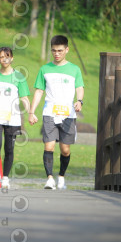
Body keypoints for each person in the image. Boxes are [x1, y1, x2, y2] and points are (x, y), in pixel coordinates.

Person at [29, 35, 84, 190]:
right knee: (49, 146)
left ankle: (61, 177)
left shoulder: (75, 69)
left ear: (67, 50)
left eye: (60, 50)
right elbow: (39, 91)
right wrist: (32, 112)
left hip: (68, 114)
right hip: (49, 113)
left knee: (65, 150)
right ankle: (49, 179)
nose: (57, 53)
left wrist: (79, 101)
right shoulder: (44, 69)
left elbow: (79, 87)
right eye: (54, 50)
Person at [0, 47, 31, 189]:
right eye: (1, 57)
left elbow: (24, 98)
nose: (4, 59)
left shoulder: (19, 77)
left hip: (13, 119)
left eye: (7, 56)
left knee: (9, 148)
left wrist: (30, 113)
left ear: (12, 58)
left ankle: (5, 178)